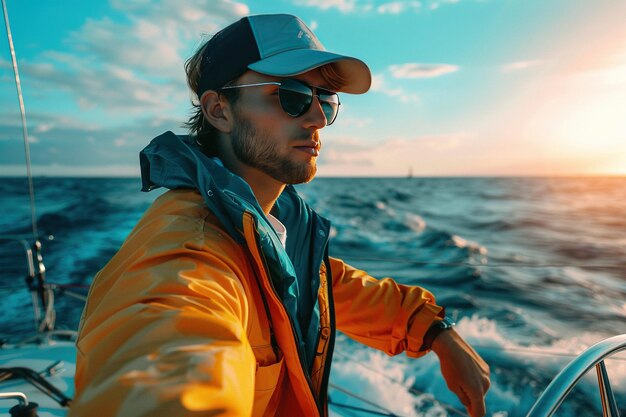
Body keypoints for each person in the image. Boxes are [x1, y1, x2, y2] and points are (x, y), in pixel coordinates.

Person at [70, 13, 490, 417]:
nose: (317, 118)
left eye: (325, 99)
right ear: (219, 111)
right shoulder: (189, 254)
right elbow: (172, 341)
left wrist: (435, 329)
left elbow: (324, 284)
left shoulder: (274, 226)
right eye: (291, 96)